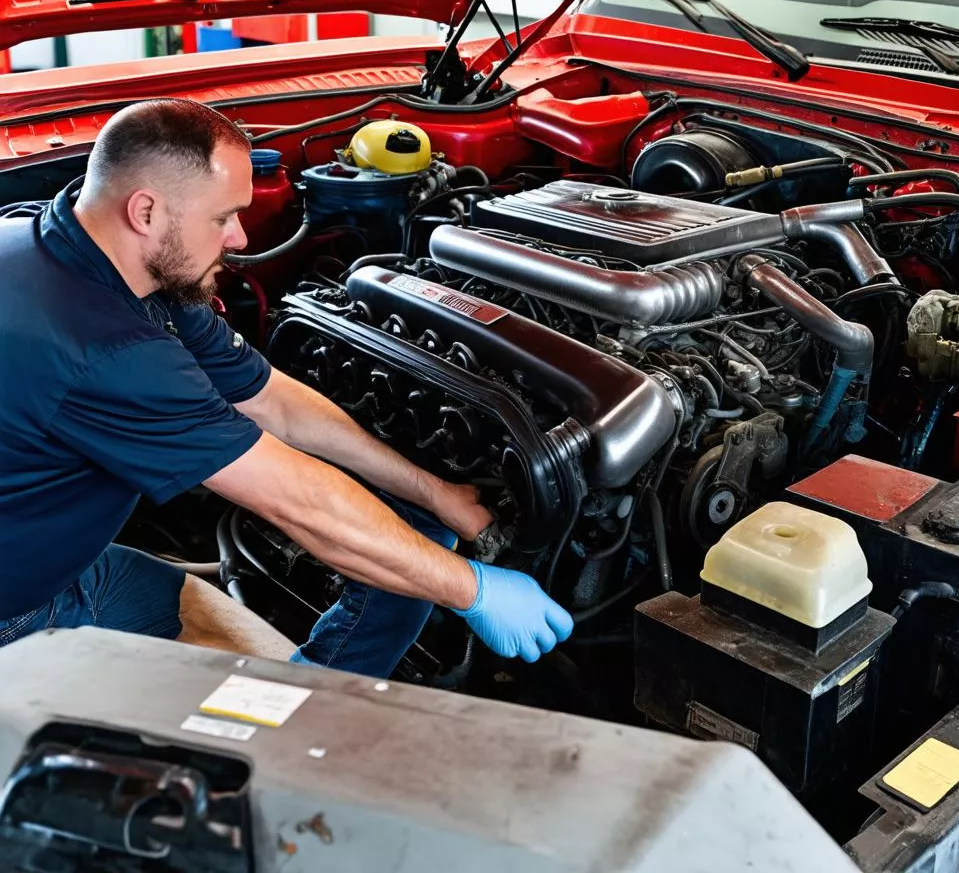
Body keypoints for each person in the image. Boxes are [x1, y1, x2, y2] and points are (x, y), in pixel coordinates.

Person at [0, 98, 572, 677]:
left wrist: (433, 492)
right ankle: (302, 720)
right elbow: (294, 501)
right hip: (15, 619)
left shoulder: (61, 239)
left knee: (159, 597)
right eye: (223, 218)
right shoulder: (103, 347)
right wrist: (473, 590)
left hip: (51, 561)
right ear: (144, 211)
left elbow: (274, 401)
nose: (242, 238)